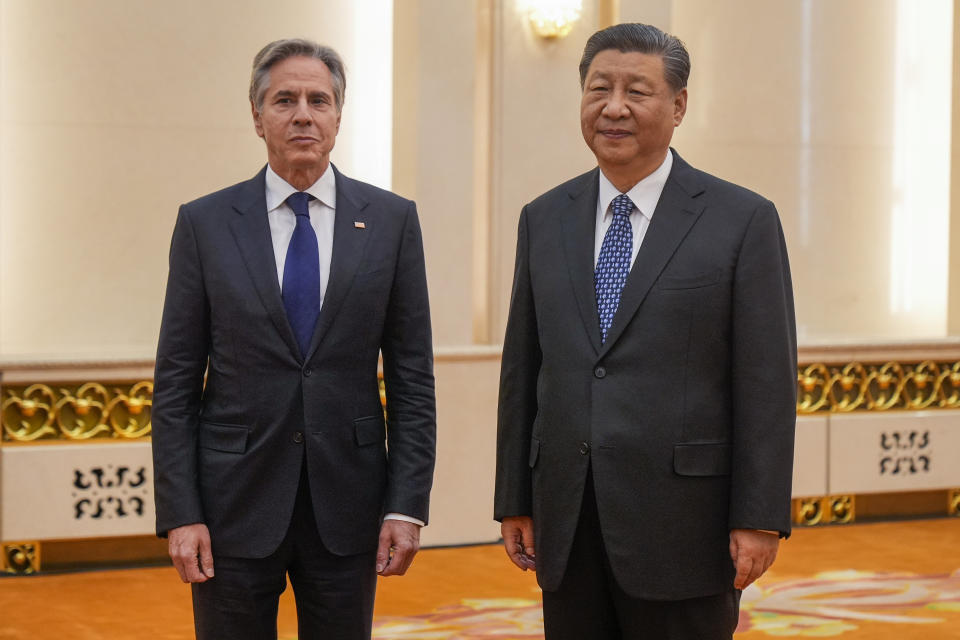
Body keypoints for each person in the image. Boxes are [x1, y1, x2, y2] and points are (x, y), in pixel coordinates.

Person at [495, 23, 796, 640]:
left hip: (686, 523)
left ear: (679, 105)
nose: (614, 107)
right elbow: (523, 368)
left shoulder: (742, 220)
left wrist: (760, 516)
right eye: (598, 88)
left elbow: (766, 383)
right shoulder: (543, 218)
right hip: (568, 516)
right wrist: (514, 497)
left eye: (638, 90)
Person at [151, 38, 436, 640]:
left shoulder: (391, 221)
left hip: (349, 507)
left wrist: (406, 505)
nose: (303, 114)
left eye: (319, 100)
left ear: (337, 116)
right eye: (284, 100)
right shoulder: (204, 224)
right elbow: (175, 383)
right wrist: (182, 515)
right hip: (231, 508)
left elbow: (413, 380)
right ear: (257, 116)